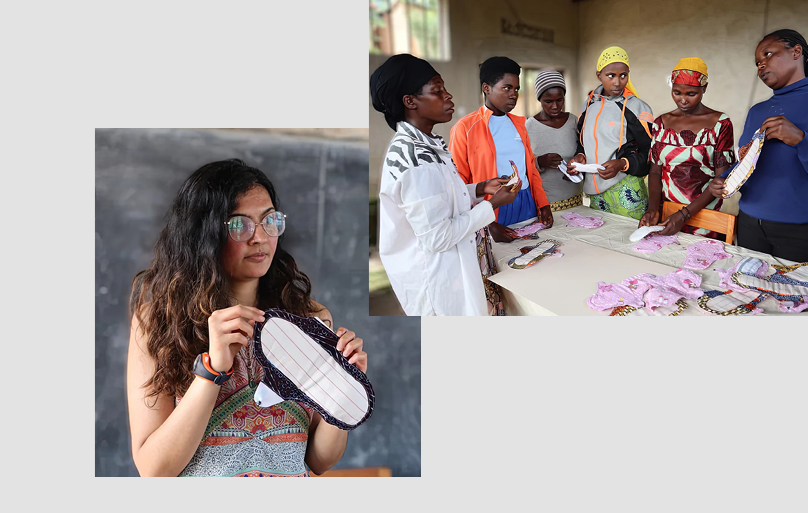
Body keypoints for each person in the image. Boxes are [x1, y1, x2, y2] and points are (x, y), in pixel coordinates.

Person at [126, 159, 368, 477]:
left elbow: (318, 460)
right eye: (240, 224)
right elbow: (154, 469)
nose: (260, 237)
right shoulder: (158, 320)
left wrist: (343, 387)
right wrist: (212, 369)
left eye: (269, 221)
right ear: (205, 233)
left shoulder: (308, 317)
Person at [370, 53, 518, 316]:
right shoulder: (414, 159)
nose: (448, 96)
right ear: (410, 101)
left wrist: (480, 188)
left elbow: (442, 197)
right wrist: (491, 205)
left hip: (451, 271)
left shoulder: (426, 145)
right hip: (438, 283)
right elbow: (438, 237)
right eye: (437, 91)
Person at [708, 29, 808, 263]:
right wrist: (726, 180)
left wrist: (802, 140)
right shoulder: (757, 111)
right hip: (750, 227)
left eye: (768, 54)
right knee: (749, 295)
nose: (761, 65)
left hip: (806, 234)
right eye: (757, 63)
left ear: (796, 52)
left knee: (802, 299)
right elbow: (748, 163)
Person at [450, 56, 552, 243]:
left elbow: (530, 170)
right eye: (507, 88)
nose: (514, 94)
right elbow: (459, 187)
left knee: (535, 257)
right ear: (486, 88)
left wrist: (542, 203)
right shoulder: (465, 128)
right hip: (491, 206)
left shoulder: (519, 124)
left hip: (526, 201)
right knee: (500, 264)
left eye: (516, 89)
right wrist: (486, 223)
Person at [641, 57, 734, 238]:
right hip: (667, 215)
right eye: (677, 93)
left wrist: (684, 215)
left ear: (704, 89)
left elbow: (721, 180)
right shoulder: (661, 123)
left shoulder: (720, 123)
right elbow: (654, 172)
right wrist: (653, 209)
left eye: (691, 94)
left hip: (704, 217)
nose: (683, 100)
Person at [568, 46, 654, 220]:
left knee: (630, 243)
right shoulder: (588, 106)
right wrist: (579, 157)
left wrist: (622, 163)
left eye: (623, 75)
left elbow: (651, 155)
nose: (617, 82)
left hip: (627, 190)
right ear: (598, 75)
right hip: (594, 192)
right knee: (599, 241)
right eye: (611, 75)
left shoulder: (637, 108)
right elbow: (582, 142)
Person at [525, 69, 584, 211]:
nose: (555, 106)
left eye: (559, 100)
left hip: (575, 198)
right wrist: (540, 162)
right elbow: (522, 165)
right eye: (548, 101)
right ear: (539, 99)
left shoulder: (573, 121)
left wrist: (578, 168)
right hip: (545, 203)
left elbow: (583, 152)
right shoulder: (529, 126)